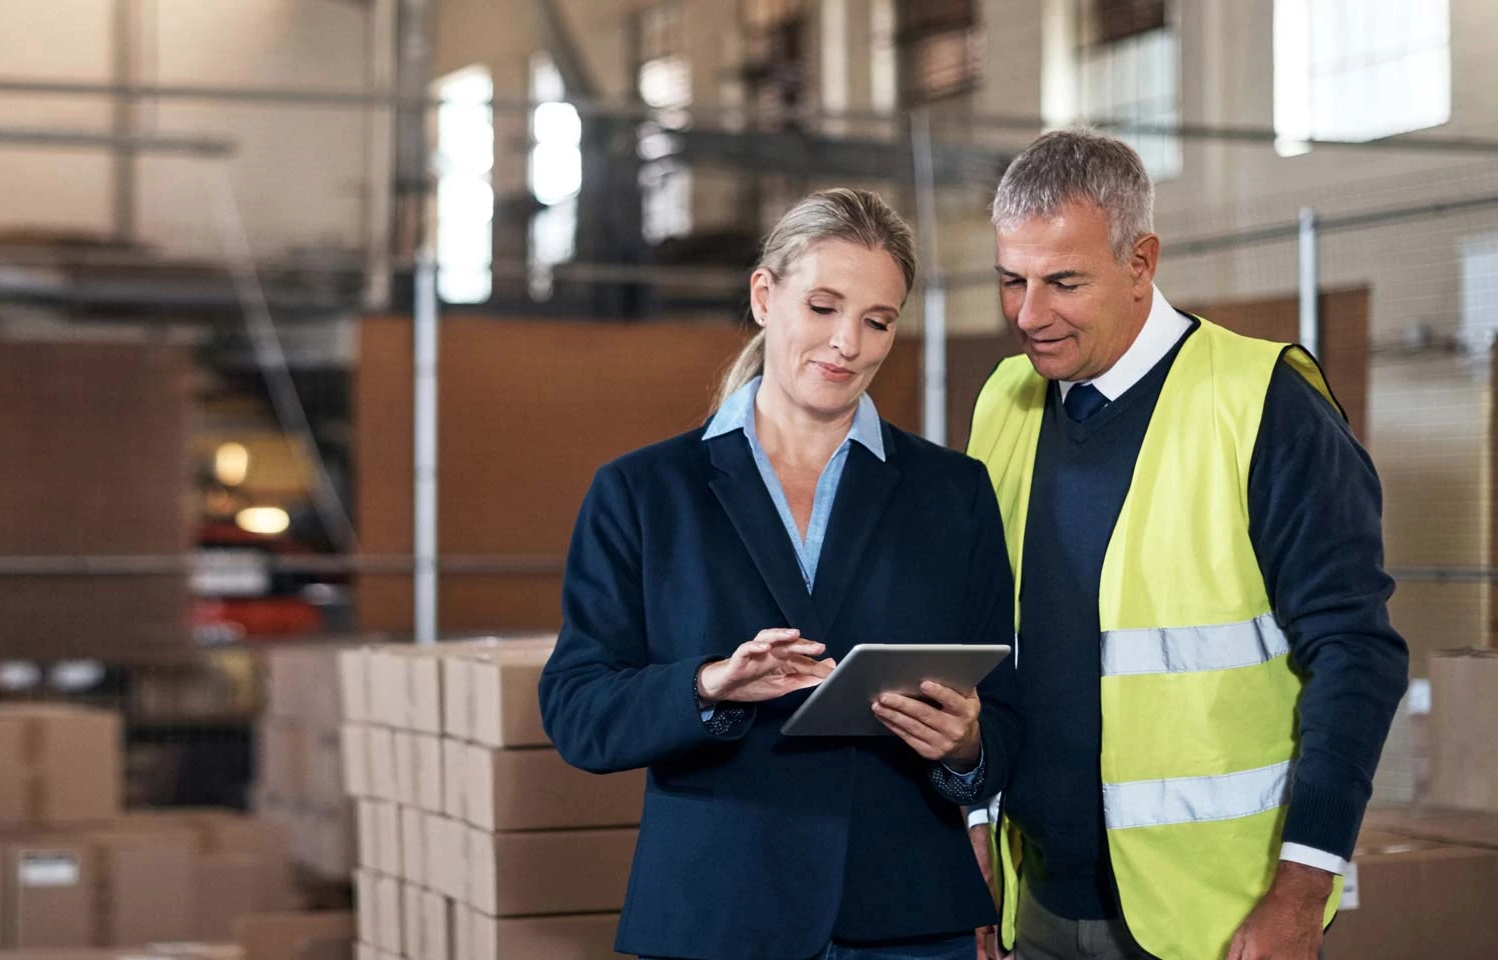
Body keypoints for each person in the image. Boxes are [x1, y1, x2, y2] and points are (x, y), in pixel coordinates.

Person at [945, 129, 1409, 960]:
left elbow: (1357, 656)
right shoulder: (1004, 402)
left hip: (1218, 923)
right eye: (1010, 280)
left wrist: (1302, 895)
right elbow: (984, 648)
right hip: (1036, 903)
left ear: (1141, 262)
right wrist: (973, 821)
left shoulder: (1263, 404)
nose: (1028, 314)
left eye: (1063, 282)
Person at [538, 187, 1021, 960]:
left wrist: (966, 748)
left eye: (877, 321)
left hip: (905, 919)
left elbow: (1006, 713)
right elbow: (577, 710)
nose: (848, 344)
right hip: (718, 912)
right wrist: (706, 687)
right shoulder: (644, 493)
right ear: (765, 296)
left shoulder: (952, 494)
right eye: (823, 307)